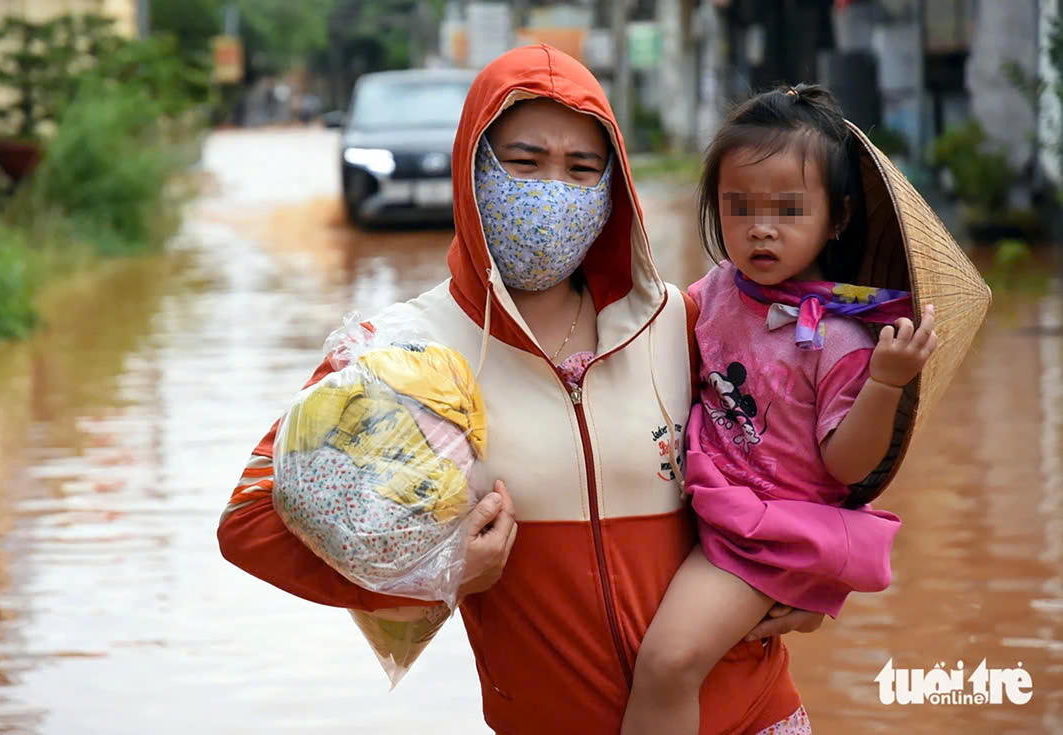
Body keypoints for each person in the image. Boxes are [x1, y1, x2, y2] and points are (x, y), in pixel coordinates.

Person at [218, 46, 826, 733]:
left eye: (582, 169)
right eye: (525, 162)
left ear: (611, 190)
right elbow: (250, 525)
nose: (552, 191)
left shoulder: (684, 324)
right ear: (473, 171)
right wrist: (438, 570)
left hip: (755, 716)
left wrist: (817, 582)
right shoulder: (406, 356)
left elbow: (812, 444)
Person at [621, 85, 937, 734]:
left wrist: (885, 383)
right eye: (739, 208)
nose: (760, 227)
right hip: (712, 492)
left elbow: (846, 464)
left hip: (768, 534)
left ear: (838, 217)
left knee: (669, 662)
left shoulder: (843, 340)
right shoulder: (716, 291)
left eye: (788, 209)